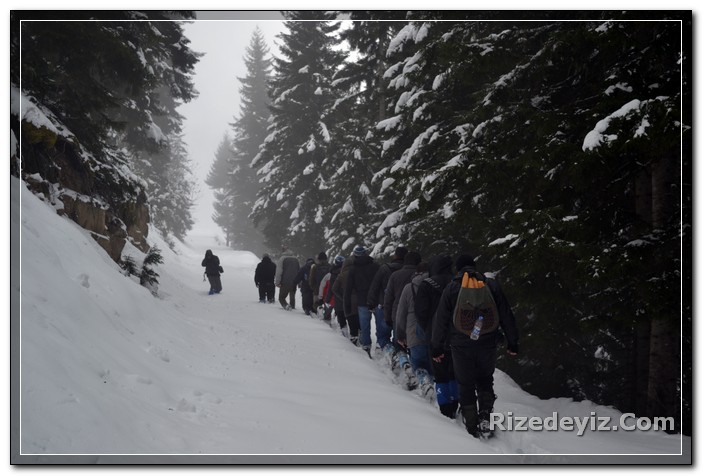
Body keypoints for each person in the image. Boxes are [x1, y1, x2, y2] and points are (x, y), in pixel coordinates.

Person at [431, 254, 519, 438]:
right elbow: (505, 314)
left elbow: (441, 320)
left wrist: (437, 347)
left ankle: (471, 424)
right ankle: (486, 416)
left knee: (465, 382)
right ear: (474, 267)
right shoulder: (491, 285)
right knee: (485, 379)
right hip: (488, 342)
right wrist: (512, 342)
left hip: (460, 344)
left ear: (458, 269)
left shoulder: (452, 288)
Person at [415, 254, 460, 419]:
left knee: (440, 373)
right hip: (457, 334)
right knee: (454, 371)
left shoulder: (427, 285)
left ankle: (445, 408)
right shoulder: (457, 283)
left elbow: (420, 312)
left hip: (434, 334)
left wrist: (428, 327)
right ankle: (456, 402)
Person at [367, 246, 406, 350]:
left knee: (383, 335)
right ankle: (400, 355)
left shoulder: (385, 268)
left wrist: (371, 302)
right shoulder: (409, 270)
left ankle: (389, 351)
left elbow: (375, 286)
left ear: (396, 255)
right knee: (399, 336)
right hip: (402, 308)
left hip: (383, 305)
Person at [396, 261, 431, 375]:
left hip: (413, 333)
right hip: (434, 334)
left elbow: (401, 313)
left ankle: (424, 382)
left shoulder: (408, 288)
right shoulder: (436, 285)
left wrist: (400, 335)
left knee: (419, 365)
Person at [345, 246, 382, 355]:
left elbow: (348, 289)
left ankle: (366, 346)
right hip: (377, 299)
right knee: (379, 323)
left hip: (362, 300)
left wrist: (347, 306)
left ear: (355, 256)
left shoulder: (353, 269)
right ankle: (380, 345)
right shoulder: (376, 266)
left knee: (365, 326)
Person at [383, 251, 422, 350]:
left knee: (400, 344)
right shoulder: (423, 277)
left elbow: (388, 298)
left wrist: (387, 317)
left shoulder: (395, 275)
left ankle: (402, 361)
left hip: (397, 314)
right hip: (417, 315)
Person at [333, 255, 360, 345]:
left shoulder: (341, 275)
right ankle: (361, 337)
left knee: (351, 318)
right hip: (359, 300)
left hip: (347, 300)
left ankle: (353, 337)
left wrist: (342, 297)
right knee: (359, 318)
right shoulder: (357, 272)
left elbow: (334, 288)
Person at [319, 255, 344, 324]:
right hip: (342, 297)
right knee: (341, 313)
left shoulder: (330, 274)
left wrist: (323, 297)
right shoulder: (346, 273)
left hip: (331, 297)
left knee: (327, 313)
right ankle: (340, 324)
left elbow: (323, 285)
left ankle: (327, 322)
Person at [275, 246, 300, 310]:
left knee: (281, 297)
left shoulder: (282, 259)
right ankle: (292, 306)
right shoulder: (296, 259)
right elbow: (299, 271)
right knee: (292, 294)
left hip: (285, 281)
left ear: (283, 251)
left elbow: (279, 271)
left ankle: (286, 306)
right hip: (294, 281)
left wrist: (277, 282)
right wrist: (299, 282)